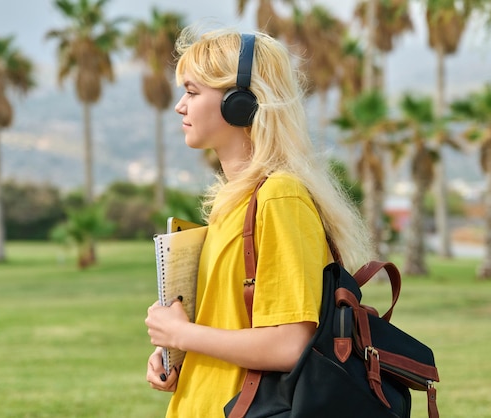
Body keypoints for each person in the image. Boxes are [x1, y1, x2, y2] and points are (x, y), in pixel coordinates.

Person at [145, 26, 372, 417]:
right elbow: (232, 324)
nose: (180, 106)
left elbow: (289, 345)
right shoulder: (232, 203)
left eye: (193, 92)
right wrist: (177, 353)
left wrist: (182, 333)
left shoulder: (280, 197)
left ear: (241, 103)